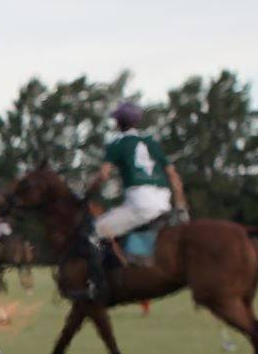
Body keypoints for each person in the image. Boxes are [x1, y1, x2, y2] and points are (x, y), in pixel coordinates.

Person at [80, 101, 188, 300]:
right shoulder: (151, 142)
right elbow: (174, 176)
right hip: (164, 201)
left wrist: (87, 191)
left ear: (118, 123)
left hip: (140, 203)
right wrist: (180, 206)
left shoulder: (118, 143)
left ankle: (97, 286)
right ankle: (133, 256)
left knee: (93, 232)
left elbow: (103, 175)